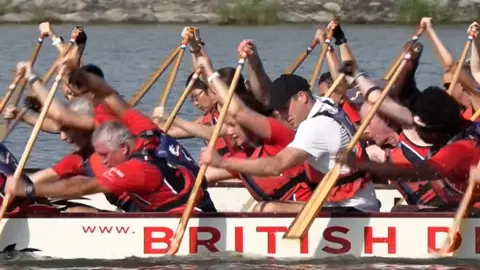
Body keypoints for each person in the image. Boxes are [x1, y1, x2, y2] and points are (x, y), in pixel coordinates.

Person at [5, 61, 217, 213]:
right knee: (71, 207)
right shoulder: (142, 128)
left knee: (75, 205)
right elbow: (104, 91)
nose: (61, 137)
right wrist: (73, 69)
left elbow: (84, 185)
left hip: (187, 208)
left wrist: (33, 79)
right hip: (182, 192)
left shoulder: (104, 129)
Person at [200, 73, 380, 213]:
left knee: (266, 209)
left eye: (285, 108)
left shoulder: (315, 126)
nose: (285, 116)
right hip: (357, 202)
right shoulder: (326, 105)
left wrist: (223, 162)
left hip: (351, 209)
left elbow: (276, 166)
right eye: (279, 111)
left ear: (302, 97)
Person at [339, 60, 480, 211]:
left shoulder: (458, 150)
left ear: (435, 131)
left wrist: (361, 165)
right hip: (457, 207)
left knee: (401, 211)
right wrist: (410, 65)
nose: (417, 132)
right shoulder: (464, 125)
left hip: (471, 216)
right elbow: (406, 95)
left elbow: (414, 173)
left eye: (421, 130)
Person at [193, 56, 311, 212]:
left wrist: (209, 70)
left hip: (313, 207)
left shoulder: (281, 135)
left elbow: (238, 111)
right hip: (285, 211)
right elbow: (205, 175)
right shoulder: (241, 158)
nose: (228, 132)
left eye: (233, 125)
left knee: (265, 209)